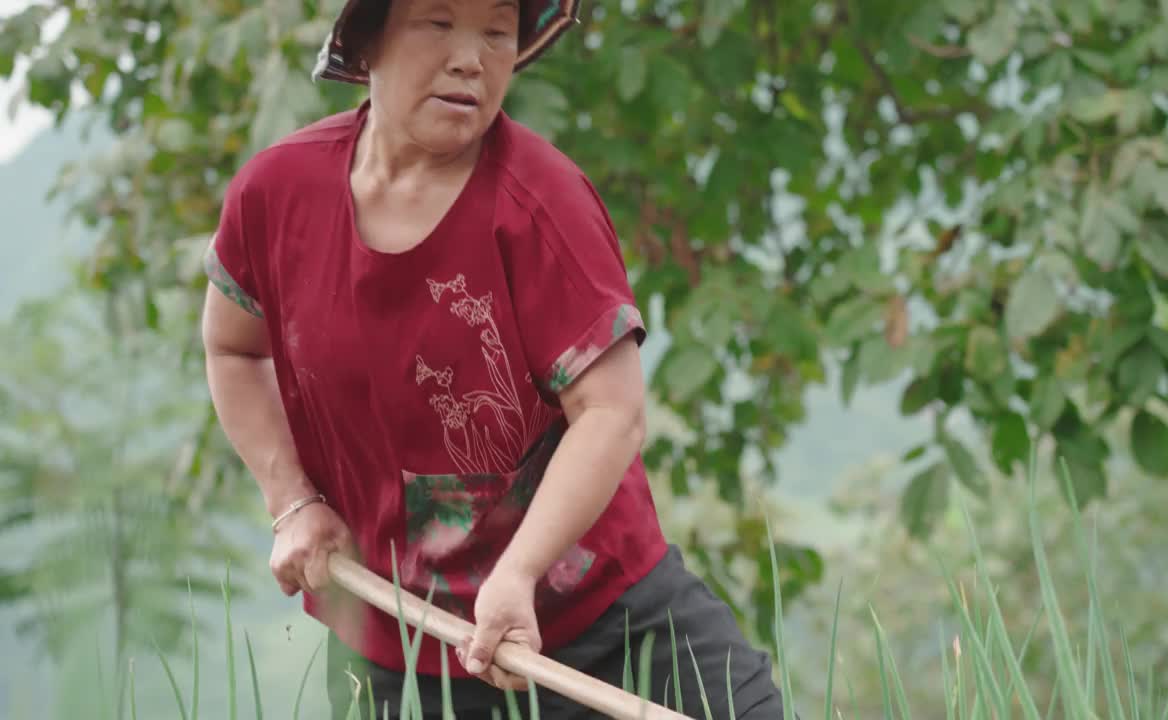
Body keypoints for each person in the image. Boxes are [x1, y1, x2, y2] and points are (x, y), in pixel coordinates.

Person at [200, 0, 787, 717]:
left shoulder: (543, 202)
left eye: (497, 33)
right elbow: (232, 348)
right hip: (407, 651)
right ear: (369, 38)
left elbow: (611, 414)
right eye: (439, 24)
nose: (470, 59)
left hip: (610, 623)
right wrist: (291, 501)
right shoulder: (277, 194)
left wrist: (519, 574)